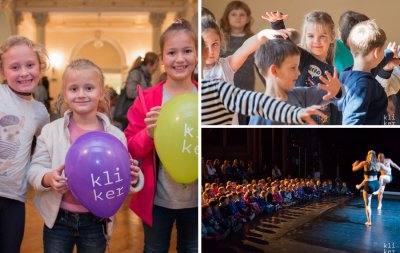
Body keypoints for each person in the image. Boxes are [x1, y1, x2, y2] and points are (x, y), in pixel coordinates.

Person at [27, 59, 144, 253]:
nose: (81, 94)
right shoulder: (50, 132)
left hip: (96, 222)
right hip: (58, 220)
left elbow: (121, 178)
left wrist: (133, 177)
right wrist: (48, 178)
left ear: (101, 92)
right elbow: (35, 169)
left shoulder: (115, 136)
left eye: (89, 88)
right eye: (74, 89)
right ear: (65, 94)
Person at [124, 19, 198, 252]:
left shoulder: (207, 97)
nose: (180, 59)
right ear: (162, 58)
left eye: (187, 51)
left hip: (198, 201)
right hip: (157, 201)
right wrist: (149, 133)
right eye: (172, 52)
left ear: (197, 54)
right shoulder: (147, 99)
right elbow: (131, 147)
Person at [0, 35, 50, 253]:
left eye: (30, 65)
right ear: (3, 72)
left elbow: (46, 149)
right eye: (14, 67)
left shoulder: (40, 112)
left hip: (14, 198)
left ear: (40, 67)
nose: (24, 72)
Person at [202, 15, 292, 124]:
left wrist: (263, 34)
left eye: (214, 44)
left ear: (221, 42)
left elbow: (246, 47)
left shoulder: (226, 66)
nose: (210, 51)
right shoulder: (194, 72)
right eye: (205, 45)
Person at [263, 10, 341, 125]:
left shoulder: (333, 72)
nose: (316, 41)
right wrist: (277, 23)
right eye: (311, 36)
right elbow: (283, 44)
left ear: (332, 37)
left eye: (322, 36)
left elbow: (336, 108)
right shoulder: (300, 57)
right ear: (305, 36)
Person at [248, 39, 342, 125]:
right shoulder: (260, 112)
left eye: (297, 67)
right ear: (274, 70)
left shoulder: (300, 94)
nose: (298, 73)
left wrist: (337, 90)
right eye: (293, 68)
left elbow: (333, 94)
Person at [339, 20, 399, 125]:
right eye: (383, 50)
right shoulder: (362, 86)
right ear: (376, 53)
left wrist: (389, 53)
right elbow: (351, 123)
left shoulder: (347, 73)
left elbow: (379, 63)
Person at [220, 0, 256, 124]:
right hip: (226, 91)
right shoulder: (221, 39)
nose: (238, 18)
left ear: (248, 19)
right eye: (234, 14)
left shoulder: (253, 40)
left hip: (247, 92)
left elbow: (261, 66)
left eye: (242, 14)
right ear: (227, 18)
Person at [114, 52, 159, 129]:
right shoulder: (136, 73)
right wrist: (145, 95)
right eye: (156, 65)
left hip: (137, 113)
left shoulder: (147, 77)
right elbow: (130, 93)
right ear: (149, 64)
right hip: (129, 112)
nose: (156, 69)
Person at [352, 150, 381, 226]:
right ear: (375, 156)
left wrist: (354, 165)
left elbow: (354, 169)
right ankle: (375, 191)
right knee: (372, 185)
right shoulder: (378, 164)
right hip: (376, 184)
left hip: (369, 185)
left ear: (368, 156)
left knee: (367, 205)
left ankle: (369, 221)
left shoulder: (364, 163)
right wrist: (359, 186)